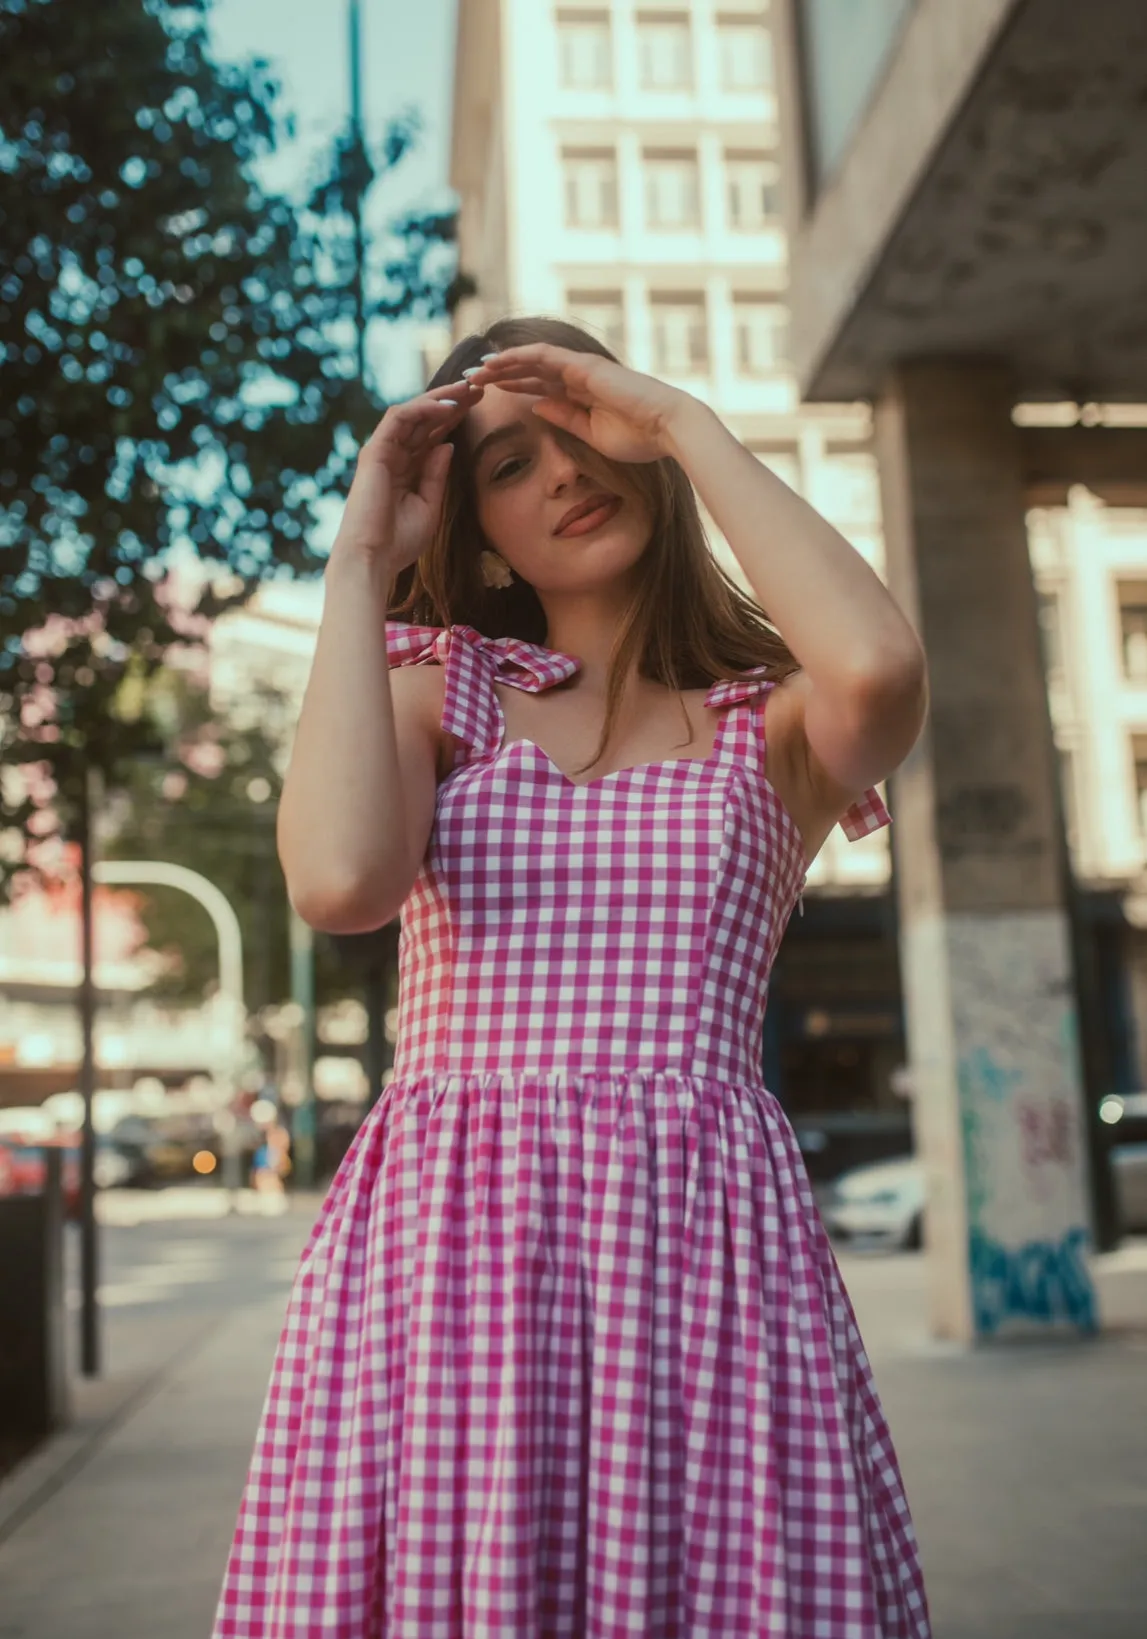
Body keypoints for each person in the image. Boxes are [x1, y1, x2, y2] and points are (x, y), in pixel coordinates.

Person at [212, 316, 932, 1637]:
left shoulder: (770, 716)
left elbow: (882, 667)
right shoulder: (436, 689)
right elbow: (339, 881)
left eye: (585, 430)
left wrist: (681, 421)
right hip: (454, 1248)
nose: (560, 473)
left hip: (699, 1235)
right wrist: (361, 562)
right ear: (472, 527)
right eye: (505, 466)